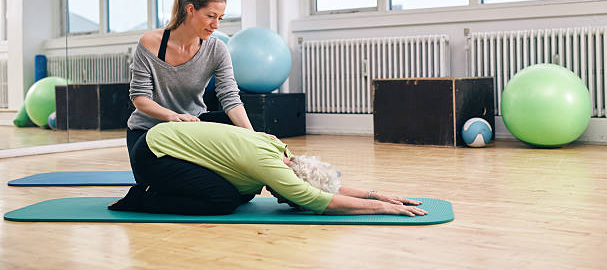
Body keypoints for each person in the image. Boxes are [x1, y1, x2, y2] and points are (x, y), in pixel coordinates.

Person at [109, 121, 428, 217]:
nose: (286, 200)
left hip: (166, 140)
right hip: (154, 155)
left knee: (241, 194)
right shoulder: (271, 167)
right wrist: (379, 207)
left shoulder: (280, 148)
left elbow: (326, 188)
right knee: (222, 201)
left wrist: (377, 193)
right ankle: (146, 198)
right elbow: (323, 200)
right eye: (289, 197)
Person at [126, 0, 254, 165]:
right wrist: (173, 116)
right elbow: (140, 98)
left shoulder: (217, 49)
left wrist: (253, 137)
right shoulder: (150, 43)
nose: (216, 25)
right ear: (191, 9)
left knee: (236, 126)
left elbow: (230, 97)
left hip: (192, 128)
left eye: (220, 18)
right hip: (148, 130)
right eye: (211, 16)